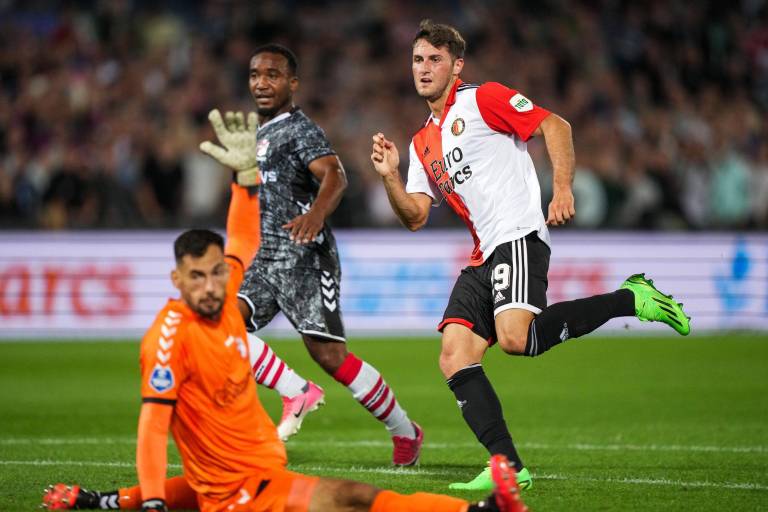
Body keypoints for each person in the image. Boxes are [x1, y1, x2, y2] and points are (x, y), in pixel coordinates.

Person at [41, 160, 527, 512]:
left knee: (354, 494)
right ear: (177, 281)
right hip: (246, 497)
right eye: (197, 278)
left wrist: (243, 179)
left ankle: (476, 507)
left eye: (216, 274)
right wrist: (150, 503)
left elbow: (242, 239)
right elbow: (152, 428)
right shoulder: (170, 339)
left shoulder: (225, 304)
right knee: (350, 498)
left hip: (256, 476)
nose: (210, 286)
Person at [370, 19, 691, 492]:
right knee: (455, 355)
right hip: (482, 254)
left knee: (516, 339)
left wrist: (562, 188)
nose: (424, 68)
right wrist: (390, 177)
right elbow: (415, 215)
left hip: (517, 235)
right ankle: (508, 466)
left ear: (456, 66)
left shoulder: (483, 99)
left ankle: (631, 298)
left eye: (435, 59)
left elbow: (555, 125)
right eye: (418, 59)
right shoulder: (421, 143)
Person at [199, 43, 423, 462]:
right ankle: (295, 391)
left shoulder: (299, 130)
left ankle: (405, 431)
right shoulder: (258, 134)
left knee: (331, 357)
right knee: (218, 327)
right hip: (266, 259)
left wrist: (316, 215)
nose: (261, 83)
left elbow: (335, 176)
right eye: (255, 75)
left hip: (306, 258)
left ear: (293, 83)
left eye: (273, 75)